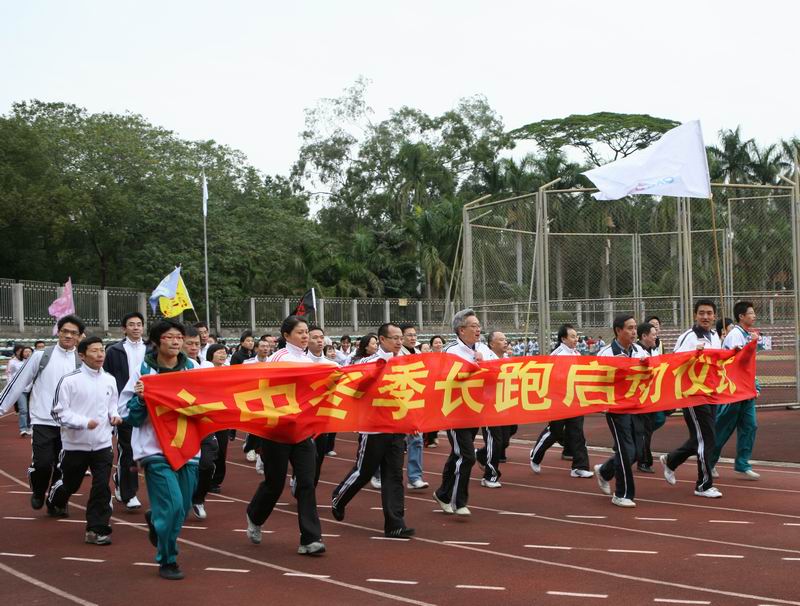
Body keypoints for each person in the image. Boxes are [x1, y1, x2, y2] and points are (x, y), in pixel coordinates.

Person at [125, 319, 199, 580]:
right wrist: (142, 400)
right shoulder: (143, 370)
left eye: (179, 337)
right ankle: (168, 559)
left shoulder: (193, 369)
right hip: (154, 449)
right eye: (169, 337)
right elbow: (129, 416)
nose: (176, 341)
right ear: (157, 341)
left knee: (182, 508)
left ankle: (157, 519)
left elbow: (205, 405)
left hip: (187, 448)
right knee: (174, 505)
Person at [245, 316, 325, 555]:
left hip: (301, 432)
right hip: (277, 432)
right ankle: (254, 515)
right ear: (287, 335)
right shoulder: (279, 357)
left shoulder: (308, 359)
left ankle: (310, 539)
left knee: (307, 484)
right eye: (300, 332)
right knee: (274, 483)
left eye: (307, 332)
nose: (305, 336)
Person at [331, 322, 415, 538]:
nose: (399, 341)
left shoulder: (406, 363)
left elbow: (409, 395)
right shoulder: (368, 362)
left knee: (394, 475)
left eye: (400, 338)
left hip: (396, 427)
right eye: (395, 338)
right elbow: (355, 390)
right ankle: (339, 497)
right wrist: (374, 373)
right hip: (374, 428)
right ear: (382, 340)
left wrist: (410, 421)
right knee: (364, 471)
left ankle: (395, 524)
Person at [0, 315, 84, 515]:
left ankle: (56, 503)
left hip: (69, 424)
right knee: (43, 464)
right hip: (42, 420)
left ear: (80, 337)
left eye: (73, 333)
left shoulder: (81, 360)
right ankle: (38, 490)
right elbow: (17, 383)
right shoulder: (41, 356)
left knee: (63, 468)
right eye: (65, 331)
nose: (68, 336)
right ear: (58, 332)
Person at [49, 336, 122, 545]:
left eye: (102, 350)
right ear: (82, 355)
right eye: (94, 351)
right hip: (75, 445)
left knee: (101, 486)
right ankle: (56, 499)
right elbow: (58, 413)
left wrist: (114, 416)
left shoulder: (109, 379)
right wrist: (83, 422)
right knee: (71, 484)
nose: (100, 355)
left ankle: (96, 529)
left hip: (102, 444)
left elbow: (112, 405)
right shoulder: (69, 381)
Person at [660, 299, 723, 499]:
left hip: (710, 394)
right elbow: (673, 363)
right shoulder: (688, 337)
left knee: (701, 439)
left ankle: (671, 460)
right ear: (695, 315)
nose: (705, 317)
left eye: (709, 313)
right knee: (708, 438)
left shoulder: (715, 336)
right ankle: (703, 485)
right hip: (693, 395)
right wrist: (694, 355)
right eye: (702, 313)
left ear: (714, 316)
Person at [433, 309, 485, 516]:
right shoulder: (451, 351)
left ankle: (443, 494)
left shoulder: (482, 348)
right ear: (461, 330)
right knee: (467, 455)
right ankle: (458, 501)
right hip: (455, 410)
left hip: (475, 409)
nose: (478, 329)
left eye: (479, 325)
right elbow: (443, 377)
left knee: (458, 455)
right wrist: (472, 368)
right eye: (474, 325)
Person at [593, 315, 647, 508]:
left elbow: (651, 375)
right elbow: (596, 380)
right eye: (630, 328)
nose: (634, 332)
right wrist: (613, 368)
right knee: (626, 449)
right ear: (618, 330)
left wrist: (646, 368)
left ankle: (605, 471)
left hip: (636, 405)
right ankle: (622, 493)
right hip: (616, 408)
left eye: (635, 328)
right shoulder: (605, 353)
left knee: (637, 451)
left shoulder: (640, 351)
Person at [530, 324, 594, 479]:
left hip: (575, 400)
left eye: (576, 336)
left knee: (577, 432)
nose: (576, 339)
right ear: (563, 338)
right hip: (558, 399)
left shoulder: (577, 353)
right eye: (572, 336)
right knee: (555, 430)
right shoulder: (557, 354)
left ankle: (580, 466)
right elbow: (549, 376)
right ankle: (535, 455)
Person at [710, 301, 761, 481]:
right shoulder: (735, 335)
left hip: (746, 391)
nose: (754, 316)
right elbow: (736, 362)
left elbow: (749, 364)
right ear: (741, 316)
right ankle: (709, 462)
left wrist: (754, 383)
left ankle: (742, 464)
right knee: (723, 427)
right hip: (733, 391)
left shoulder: (748, 334)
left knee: (750, 425)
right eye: (751, 313)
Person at [103, 312, 147, 511]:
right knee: (127, 450)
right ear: (124, 328)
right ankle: (129, 494)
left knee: (143, 451)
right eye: (132, 324)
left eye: (139, 324)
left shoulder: (151, 349)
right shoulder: (114, 351)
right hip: (124, 407)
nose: (136, 327)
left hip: (147, 406)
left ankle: (121, 478)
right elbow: (107, 379)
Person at [184, 328, 218, 520]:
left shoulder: (205, 366)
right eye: (189, 343)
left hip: (204, 423)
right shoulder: (170, 368)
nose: (193, 347)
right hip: (181, 426)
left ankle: (198, 499)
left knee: (207, 465)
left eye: (197, 344)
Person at [475, 330, 510, 487]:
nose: (505, 342)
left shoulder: (507, 359)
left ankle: (481, 455)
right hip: (489, 406)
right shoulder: (485, 354)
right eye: (501, 339)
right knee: (495, 441)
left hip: (505, 404)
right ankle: (490, 476)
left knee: (504, 439)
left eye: (505, 339)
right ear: (491, 343)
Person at [397, 324, 428, 490]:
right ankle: (378, 473)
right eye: (409, 335)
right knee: (391, 442)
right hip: (397, 404)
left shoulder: (419, 354)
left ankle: (414, 477)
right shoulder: (395, 354)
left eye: (414, 335)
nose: (413, 338)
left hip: (414, 403)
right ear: (401, 337)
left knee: (416, 439)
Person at [204, 344, 232, 494]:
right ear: (211, 355)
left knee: (222, 448)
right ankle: (204, 477)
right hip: (206, 416)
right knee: (207, 449)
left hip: (223, 416)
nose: (222, 355)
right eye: (219, 353)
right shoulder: (203, 370)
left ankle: (216, 480)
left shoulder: (229, 371)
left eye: (224, 353)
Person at [635, 322, 662, 474]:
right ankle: (644, 460)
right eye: (653, 334)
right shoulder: (637, 351)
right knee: (644, 430)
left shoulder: (655, 350)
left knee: (657, 421)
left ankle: (639, 451)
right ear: (644, 336)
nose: (655, 337)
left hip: (653, 397)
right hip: (640, 397)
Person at [6, 344, 33, 437]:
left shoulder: (30, 361)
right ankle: (23, 429)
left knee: (31, 409)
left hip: (31, 388)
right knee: (23, 409)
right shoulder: (13, 362)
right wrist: (11, 385)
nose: (26, 353)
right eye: (23, 351)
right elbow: (9, 374)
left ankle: (30, 427)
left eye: (29, 351)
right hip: (20, 389)